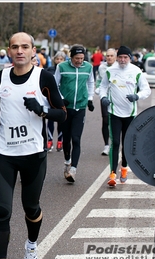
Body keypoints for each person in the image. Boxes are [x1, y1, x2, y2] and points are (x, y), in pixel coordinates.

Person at [0, 32, 66, 259]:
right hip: (4, 153)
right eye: (14, 47)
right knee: (2, 211)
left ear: (33, 51)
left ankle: (31, 246)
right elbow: (1, 101)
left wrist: (42, 111)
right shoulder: (1, 76)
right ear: (9, 51)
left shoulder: (44, 78)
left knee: (31, 208)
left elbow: (62, 113)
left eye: (24, 47)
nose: (19, 51)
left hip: (33, 154)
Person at [99, 45, 151, 187]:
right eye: (120, 57)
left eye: (125, 57)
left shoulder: (136, 71)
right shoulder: (110, 71)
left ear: (129, 58)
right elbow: (102, 87)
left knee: (127, 145)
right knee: (115, 143)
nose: (122, 60)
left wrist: (137, 95)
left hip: (130, 114)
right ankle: (112, 174)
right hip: (114, 112)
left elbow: (147, 90)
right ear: (117, 57)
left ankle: (124, 169)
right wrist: (103, 97)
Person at [54, 44, 95, 183]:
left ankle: (73, 169)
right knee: (66, 139)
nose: (79, 61)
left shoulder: (88, 67)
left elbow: (91, 83)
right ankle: (67, 162)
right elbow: (55, 84)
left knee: (76, 138)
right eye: (77, 58)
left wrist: (89, 99)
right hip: (65, 109)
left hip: (80, 107)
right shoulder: (62, 67)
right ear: (71, 57)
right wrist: (61, 99)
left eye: (82, 58)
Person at [95, 48, 117, 156]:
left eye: (111, 56)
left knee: (116, 121)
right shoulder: (102, 67)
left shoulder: (118, 67)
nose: (109, 57)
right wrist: (98, 89)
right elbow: (99, 79)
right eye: (107, 56)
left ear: (115, 57)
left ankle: (115, 144)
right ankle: (106, 146)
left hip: (117, 98)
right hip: (105, 97)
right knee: (105, 120)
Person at [46, 51, 67, 152]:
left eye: (61, 59)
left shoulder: (65, 70)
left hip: (61, 99)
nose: (59, 61)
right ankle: (49, 140)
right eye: (57, 59)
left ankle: (60, 140)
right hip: (51, 99)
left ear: (64, 60)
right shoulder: (49, 70)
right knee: (50, 120)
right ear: (54, 60)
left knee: (61, 120)